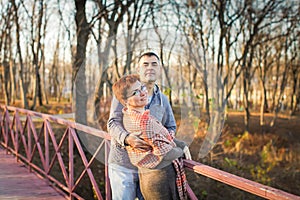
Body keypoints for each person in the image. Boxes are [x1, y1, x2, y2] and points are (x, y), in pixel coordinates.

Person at [107, 52, 191, 200]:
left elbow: (170, 127)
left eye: (154, 64)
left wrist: (170, 142)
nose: (150, 68)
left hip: (149, 170)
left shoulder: (162, 99)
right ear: (139, 70)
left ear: (160, 69)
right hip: (123, 164)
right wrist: (127, 138)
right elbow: (112, 123)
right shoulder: (125, 92)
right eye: (145, 64)